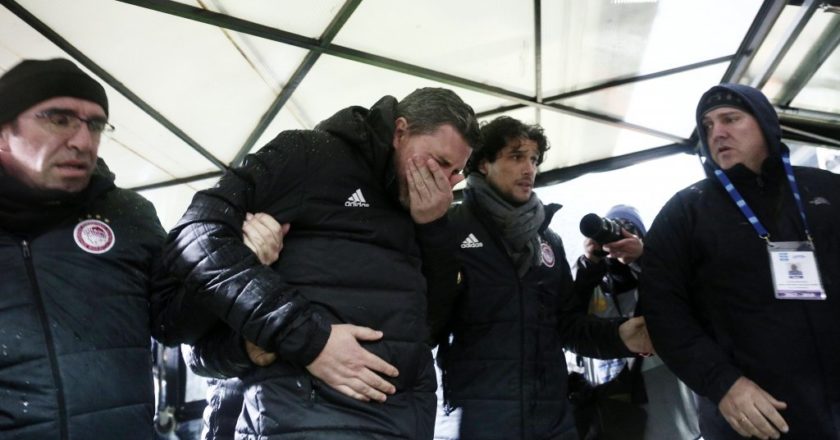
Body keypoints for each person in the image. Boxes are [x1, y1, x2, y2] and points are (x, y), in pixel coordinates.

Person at [158, 87, 480, 439]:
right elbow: (196, 236)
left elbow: (430, 328)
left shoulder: (433, 216)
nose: (445, 182)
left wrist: (432, 228)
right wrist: (310, 339)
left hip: (401, 423)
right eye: (440, 162)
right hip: (301, 419)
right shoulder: (309, 156)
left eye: (456, 172)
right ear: (400, 132)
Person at [640, 83, 840, 439]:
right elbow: (663, 311)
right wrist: (722, 384)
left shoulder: (827, 189)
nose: (717, 133)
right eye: (708, 125)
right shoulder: (685, 212)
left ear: (765, 123)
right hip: (757, 418)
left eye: (730, 119)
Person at [434, 116, 652, 440]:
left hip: (553, 419)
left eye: (534, 160)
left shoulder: (548, 240)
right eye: (516, 156)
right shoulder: (449, 228)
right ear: (483, 164)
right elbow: (423, 324)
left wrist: (622, 336)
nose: (529, 169)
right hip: (477, 421)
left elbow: (568, 326)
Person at [0, 57, 164, 439]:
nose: (83, 142)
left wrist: (223, 253)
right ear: (4, 133)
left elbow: (185, 323)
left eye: (95, 125)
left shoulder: (127, 215)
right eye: (59, 120)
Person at [571, 205, 700, 439]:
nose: (618, 238)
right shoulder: (592, 287)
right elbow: (566, 318)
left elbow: (689, 295)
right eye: (612, 230)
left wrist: (643, 258)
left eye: (628, 230)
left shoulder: (659, 277)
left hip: (673, 415)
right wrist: (590, 263)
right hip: (614, 416)